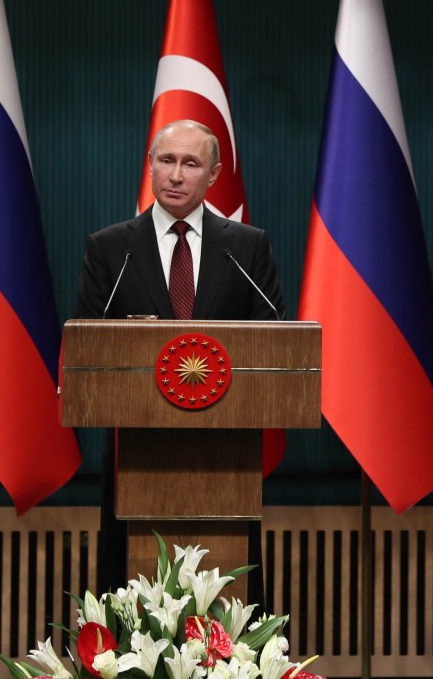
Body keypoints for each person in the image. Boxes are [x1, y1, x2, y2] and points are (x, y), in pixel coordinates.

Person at [74, 119, 285, 597]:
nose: (175, 174)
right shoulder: (111, 249)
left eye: (190, 163)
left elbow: (274, 345)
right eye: (166, 161)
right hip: (136, 456)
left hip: (226, 458)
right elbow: (86, 346)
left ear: (213, 175)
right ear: (150, 166)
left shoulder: (247, 248)